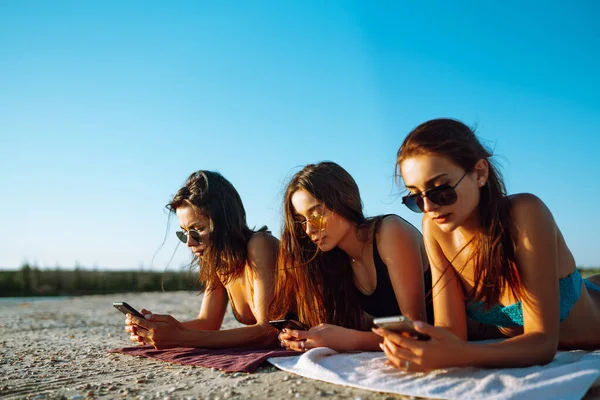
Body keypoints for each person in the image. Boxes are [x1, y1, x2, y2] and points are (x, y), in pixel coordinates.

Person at [375, 118, 600, 371]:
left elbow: (544, 343)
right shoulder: (435, 227)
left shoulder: (525, 214)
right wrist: (422, 345)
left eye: (441, 191)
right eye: (415, 197)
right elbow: (452, 335)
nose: (428, 207)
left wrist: (458, 355)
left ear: (480, 173)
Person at [272, 161, 433, 352]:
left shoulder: (389, 232)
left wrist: (348, 339)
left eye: (316, 214)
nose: (309, 229)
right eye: (301, 221)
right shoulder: (335, 261)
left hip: (462, 338)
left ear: (347, 201)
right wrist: (306, 336)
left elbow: (417, 331)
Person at [124, 170, 280, 349]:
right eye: (183, 233)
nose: (189, 242)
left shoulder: (260, 245)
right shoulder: (219, 261)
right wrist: (156, 330)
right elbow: (207, 323)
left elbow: (268, 332)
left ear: (224, 223)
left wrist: (179, 338)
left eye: (197, 230)